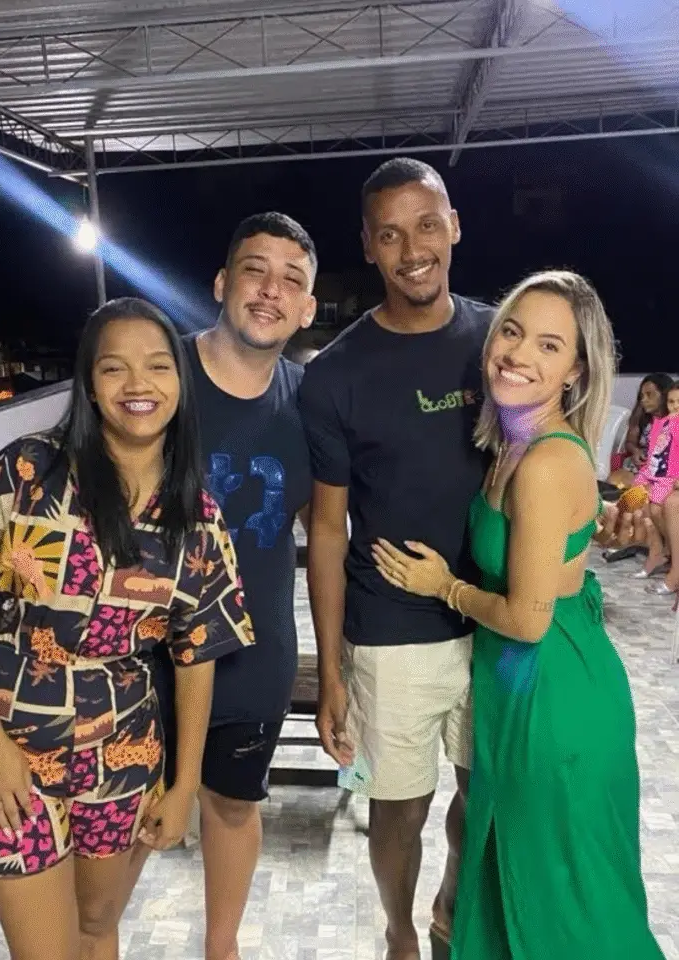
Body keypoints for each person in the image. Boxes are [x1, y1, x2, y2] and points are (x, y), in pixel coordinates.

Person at [299, 157, 651, 960]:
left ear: (454, 226)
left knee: (489, 803)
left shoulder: (497, 339)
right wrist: (332, 669)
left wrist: (591, 519)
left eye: (427, 224)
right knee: (400, 809)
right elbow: (325, 527)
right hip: (394, 629)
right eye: (390, 234)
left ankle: (455, 913)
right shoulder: (339, 374)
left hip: (503, 642)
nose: (412, 248)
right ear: (368, 245)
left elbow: (554, 468)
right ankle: (400, 936)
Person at [0, 298, 252, 960]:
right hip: (9, 746)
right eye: (114, 368)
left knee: (98, 927)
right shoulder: (26, 473)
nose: (137, 385)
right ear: (90, 384)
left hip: (122, 749)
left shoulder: (198, 516)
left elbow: (196, 653)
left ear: (180, 382)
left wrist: (185, 783)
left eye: (157, 366)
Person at [372, 270, 665, 960]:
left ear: (576, 370)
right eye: (511, 331)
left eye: (549, 345)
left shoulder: (543, 462)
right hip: (526, 689)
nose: (519, 354)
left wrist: (443, 585)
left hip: (552, 704)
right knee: (525, 898)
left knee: (562, 913)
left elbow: (529, 618)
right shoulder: (514, 444)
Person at [153, 212, 315, 960]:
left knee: (233, 804)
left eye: (291, 280)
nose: (270, 290)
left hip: (256, 655)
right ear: (222, 283)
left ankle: (222, 948)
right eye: (256, 270)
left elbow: (333, 527)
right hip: (145, 656)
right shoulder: (161, 379)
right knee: (126, 821)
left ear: (307, 308)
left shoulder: (310, 401)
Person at [634, 380, 679, 593]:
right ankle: (657, 550)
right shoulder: (663, 423)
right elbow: (654, 452)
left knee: (659, 506)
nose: (675, 406)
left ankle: (667, 557)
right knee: (640, 500)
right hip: (655, 474)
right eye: (671, 402)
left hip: (668, 478)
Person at [607, 372, 673, 489]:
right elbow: (630, 442)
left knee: (644, 490)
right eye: (642, 396)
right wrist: (636, 451)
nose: (643, 400)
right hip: (637, 467)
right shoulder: (641, 418)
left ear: (665, 395)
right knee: (614, 482)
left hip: (664, 471)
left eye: (649, 395)